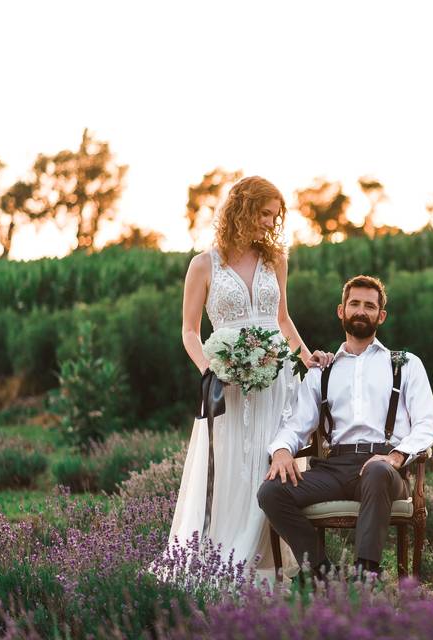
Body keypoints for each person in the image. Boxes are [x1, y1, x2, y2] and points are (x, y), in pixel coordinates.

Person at [166, 176, 333, 582]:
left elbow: (282, 320)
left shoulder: (276, 259)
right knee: (232, 468)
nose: (267, 223)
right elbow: (189, 330)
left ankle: (274, 563)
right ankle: (225, 559)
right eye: (262, 213)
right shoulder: (203, 265)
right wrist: (209, 368)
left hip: (277, 382)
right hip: (230, 386)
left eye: (273, 217)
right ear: (241, 207)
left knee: (271, 463)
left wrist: (306, 356)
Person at [257, 275, 433, 579]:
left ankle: (365, 574)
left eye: (369, 306)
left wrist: (395, 457)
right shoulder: (322, 371)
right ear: (341, 311)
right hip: (334, 468)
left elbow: (428, 424)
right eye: (354, 303)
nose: (361, 311)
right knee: (271, 492)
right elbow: (296, 424)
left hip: (384, 470)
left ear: (380, 316)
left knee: (377, 471)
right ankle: (321, 571)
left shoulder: (405, 364)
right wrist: (280, 451)